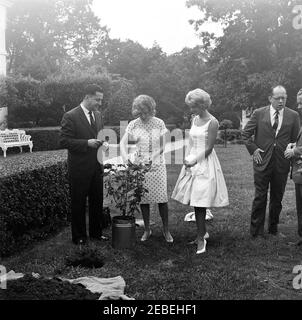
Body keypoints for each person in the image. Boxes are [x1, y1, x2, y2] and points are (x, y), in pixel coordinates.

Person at [171, 89, 229, 254]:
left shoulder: (213, 122)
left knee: (200, 201)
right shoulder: (194, 119)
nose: (191, 110)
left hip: (204, 162)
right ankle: (201, 234)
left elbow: (209, 147)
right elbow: (191, 141)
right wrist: (187, 158)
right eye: (190, 107)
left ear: (202, 105)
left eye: (194, 107)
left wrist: (195, 160)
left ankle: (201, 238)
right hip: (192, 161)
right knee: (195, 201)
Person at [242, 85, 300, 238]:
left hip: (282, 162)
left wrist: (292, 151)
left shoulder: (293, 115)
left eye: (284, 98)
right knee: (260, 196)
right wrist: (253, 149)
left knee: (277, 198)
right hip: (262, 162)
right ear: (270, 98)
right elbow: (245, 134)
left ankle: (273, 229)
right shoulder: (259, 113)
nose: (281, 101)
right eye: (278, 98)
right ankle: (256, 232)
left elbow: (295, 140)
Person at [60, 84, 109, 245]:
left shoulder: (98, 115)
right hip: (79, 168)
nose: (99, 103)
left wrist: (104, 143)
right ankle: (79, 236)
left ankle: (96, 233)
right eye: (97, 99)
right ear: (87, 97)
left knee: (97, 201)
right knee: (79, 203)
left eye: (101, 100)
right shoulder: (70, 115)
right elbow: (64, 141)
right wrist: (86, 143)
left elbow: (98, 136)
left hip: (96, 167)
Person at [120, 94, 173, 243]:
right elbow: (123, 144)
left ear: (151, 110)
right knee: (144, 199)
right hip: (140, 166)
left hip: (157, 165)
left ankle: (166, 230)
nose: (142, 116)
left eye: (145, 113)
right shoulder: (133, 124)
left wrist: (153, 156)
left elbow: (162, 146)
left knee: (162, 199)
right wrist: (126, 159)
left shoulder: (159, 123)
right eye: (140, 113)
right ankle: (147, 229)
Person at [284, 88, 302, 246]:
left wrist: (294, 151)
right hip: (299, 173)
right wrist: (295, 144)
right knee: (300, 206)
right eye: (298, 104)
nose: (299, 107)